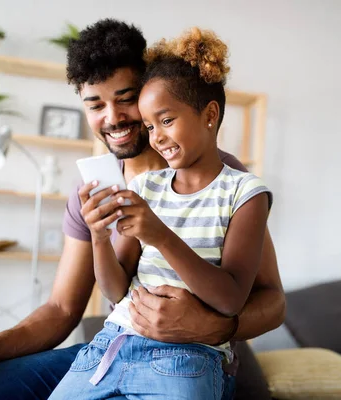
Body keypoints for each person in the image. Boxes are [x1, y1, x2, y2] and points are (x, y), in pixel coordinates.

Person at [0, 19, 284, 400]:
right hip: (116, 347)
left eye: (125, 98)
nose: (112, 118)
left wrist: (211, 328)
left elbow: (270, 300)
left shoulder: (225, 180)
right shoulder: (94, 192)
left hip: (194, 362)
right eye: (95, 105)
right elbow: (62, 308)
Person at [49, 26, 272, 400]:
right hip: (112, 346)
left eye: (166, 121)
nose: (156, 137)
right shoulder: (144, 189)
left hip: (186, 359)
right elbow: (116, 289)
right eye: (151, 125)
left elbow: (231, 299)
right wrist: (100, 238)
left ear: (210, 114)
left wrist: (161, 236)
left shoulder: (244, 193)